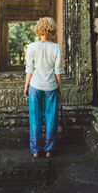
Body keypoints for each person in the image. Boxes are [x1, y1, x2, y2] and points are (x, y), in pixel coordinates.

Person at [24, 17, 63, 158]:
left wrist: (26, 85)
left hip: (35, 85)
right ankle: (49, 149)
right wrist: (60, 87)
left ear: (38, 29)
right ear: (52, 30)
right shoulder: (56, 48)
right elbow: (58, 71)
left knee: (35, 117)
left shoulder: (32, 47)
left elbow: (29, 68)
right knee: (51, 117)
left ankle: (35, 150)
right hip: (51, 86)